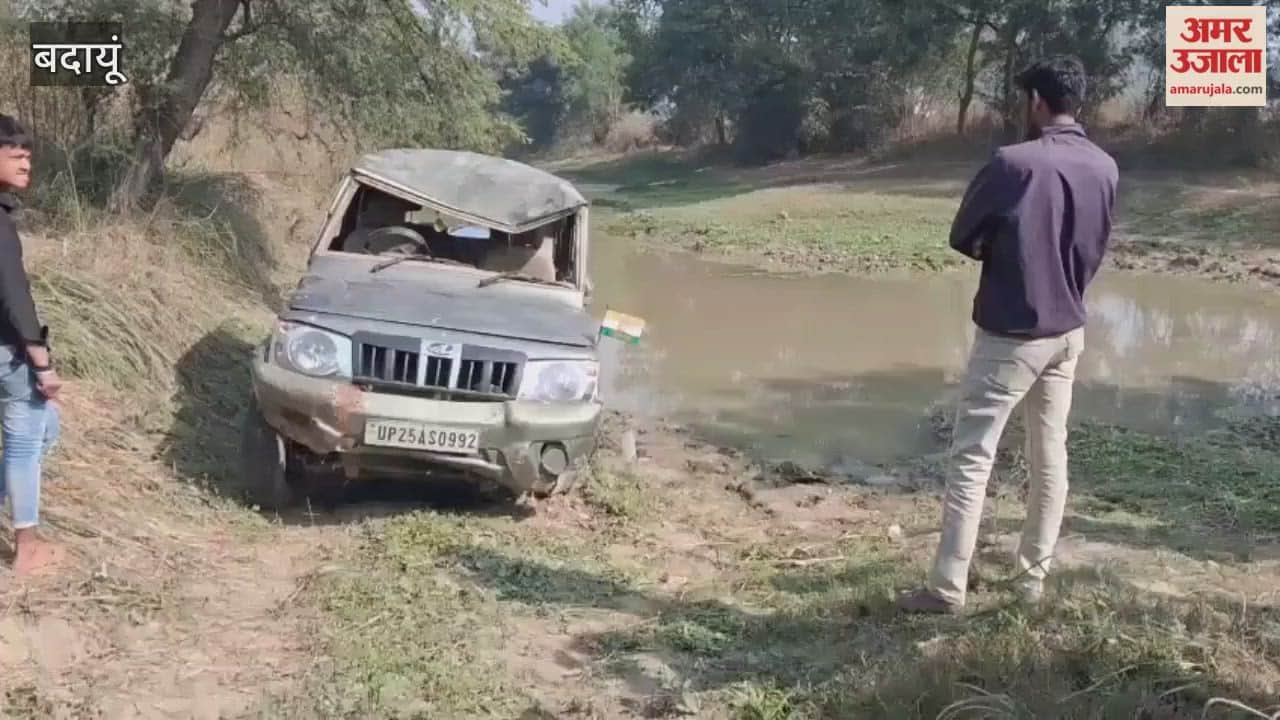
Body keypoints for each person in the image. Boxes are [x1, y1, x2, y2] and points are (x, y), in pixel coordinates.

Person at [896, 56, 1119, 614]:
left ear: (1038, 102)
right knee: (1051, 458)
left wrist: (1009, 258)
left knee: (973, 457)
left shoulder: (1012, 163)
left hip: (1011, 335)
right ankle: (1030, 582)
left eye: (1025, 100)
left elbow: (964, 235)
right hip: (1068, 330)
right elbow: (1092, 248)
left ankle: (947, 589)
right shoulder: (1105, 167)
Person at [0, 115, 63, 577]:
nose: (27, 165)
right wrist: (41, 361)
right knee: (25, 443)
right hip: (8, 353)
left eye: (28, 156)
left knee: (46, 430)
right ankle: (28, 551)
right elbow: (14, 295)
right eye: (17, 156)